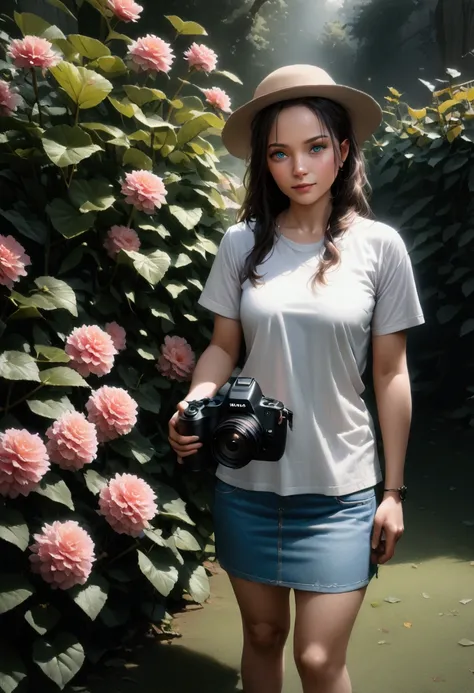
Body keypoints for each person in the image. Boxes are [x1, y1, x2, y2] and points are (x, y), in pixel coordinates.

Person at [168, 64, 424, 693]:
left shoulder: (380, 247)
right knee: (260, 638)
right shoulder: (241, 244)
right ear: (264, 162)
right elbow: (223, 347)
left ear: (343, 149)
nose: (299, 168)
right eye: (280, 153)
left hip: (341, 489)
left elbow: (391, 372)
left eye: (315, 147)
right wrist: (199, 395)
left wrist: (392, 493)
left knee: (317, 659)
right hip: (247, 479)